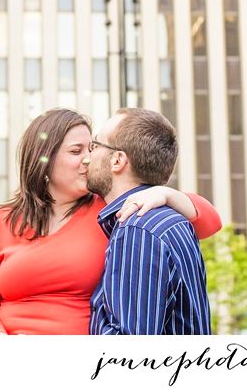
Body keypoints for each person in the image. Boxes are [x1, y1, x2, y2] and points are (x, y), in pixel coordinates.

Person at [0, 108, 219, 335]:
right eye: (76, 151)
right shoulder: (0, 223)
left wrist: (168, 194)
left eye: (91, 148)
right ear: (44, 159)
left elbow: (210, 222)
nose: (88, 159)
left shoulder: (112, 209)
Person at [86, 108, 212, 334]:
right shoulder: (173, 220)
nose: (88, 156)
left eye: (95, 146)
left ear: (117, 160)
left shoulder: (137, 228)